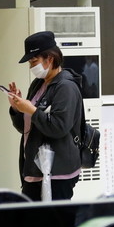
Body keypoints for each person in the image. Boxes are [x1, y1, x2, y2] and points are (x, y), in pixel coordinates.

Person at [7, 31, 83, 201]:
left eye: (34, 61)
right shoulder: (38, 84)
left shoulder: (66, 87)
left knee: (54, 221)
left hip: (57, 172)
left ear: (49, 58)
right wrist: (17, 108)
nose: (31, 66)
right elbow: (26, 127)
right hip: (35, 168)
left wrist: (32, 110)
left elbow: (58, 127)